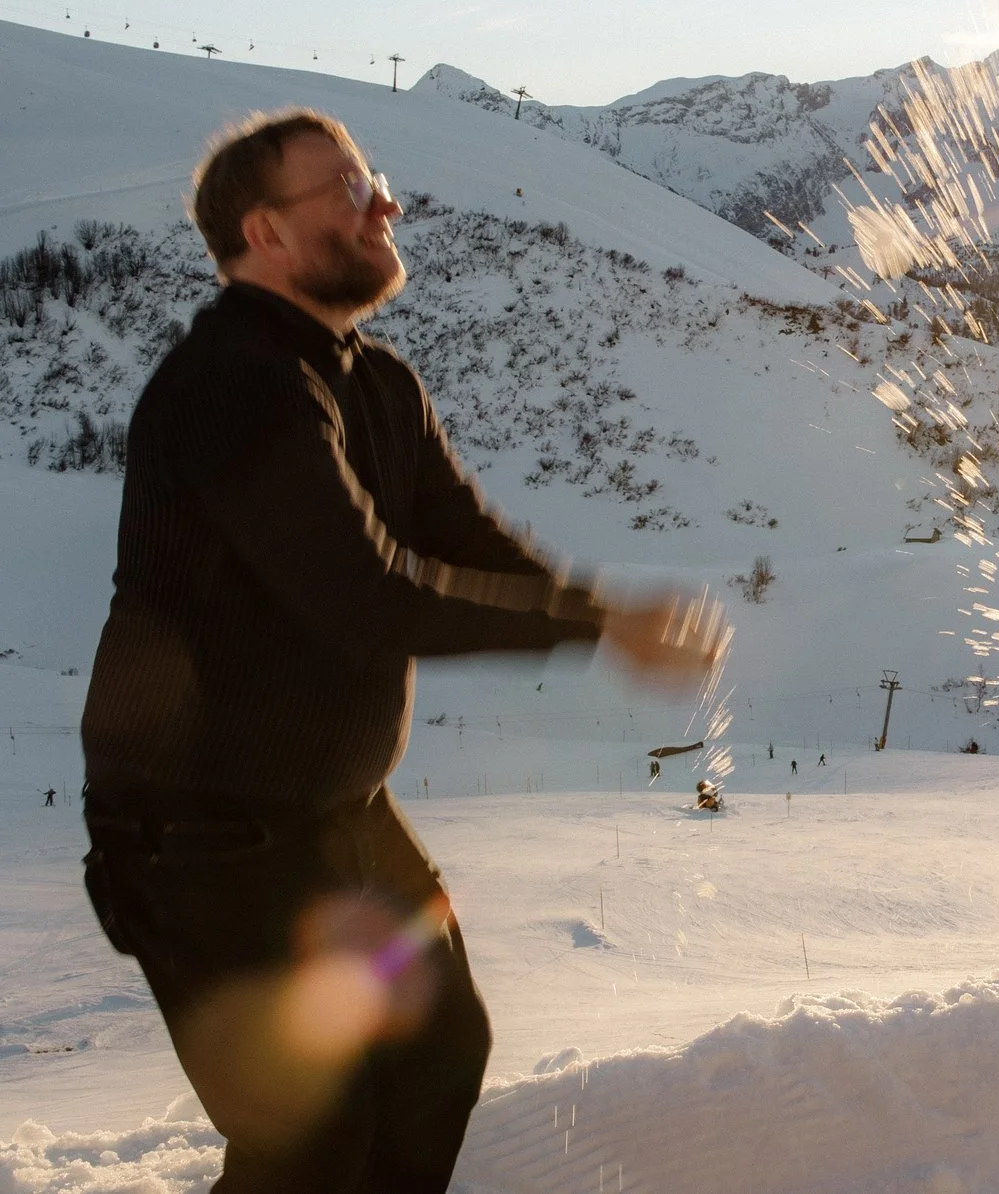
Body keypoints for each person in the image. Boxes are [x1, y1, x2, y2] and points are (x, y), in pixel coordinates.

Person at [80, 110, 724, 1194]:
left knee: (436, 1055)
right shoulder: (235, 385)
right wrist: (598, 628)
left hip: (338, 825)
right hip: (199, 846)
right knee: (309, 1136)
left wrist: (598, 608)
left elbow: (464, 543)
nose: (384, 201)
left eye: (372, 175)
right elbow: (365, 594)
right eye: (345, 186)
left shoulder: (373, 380)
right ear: (265, 233)